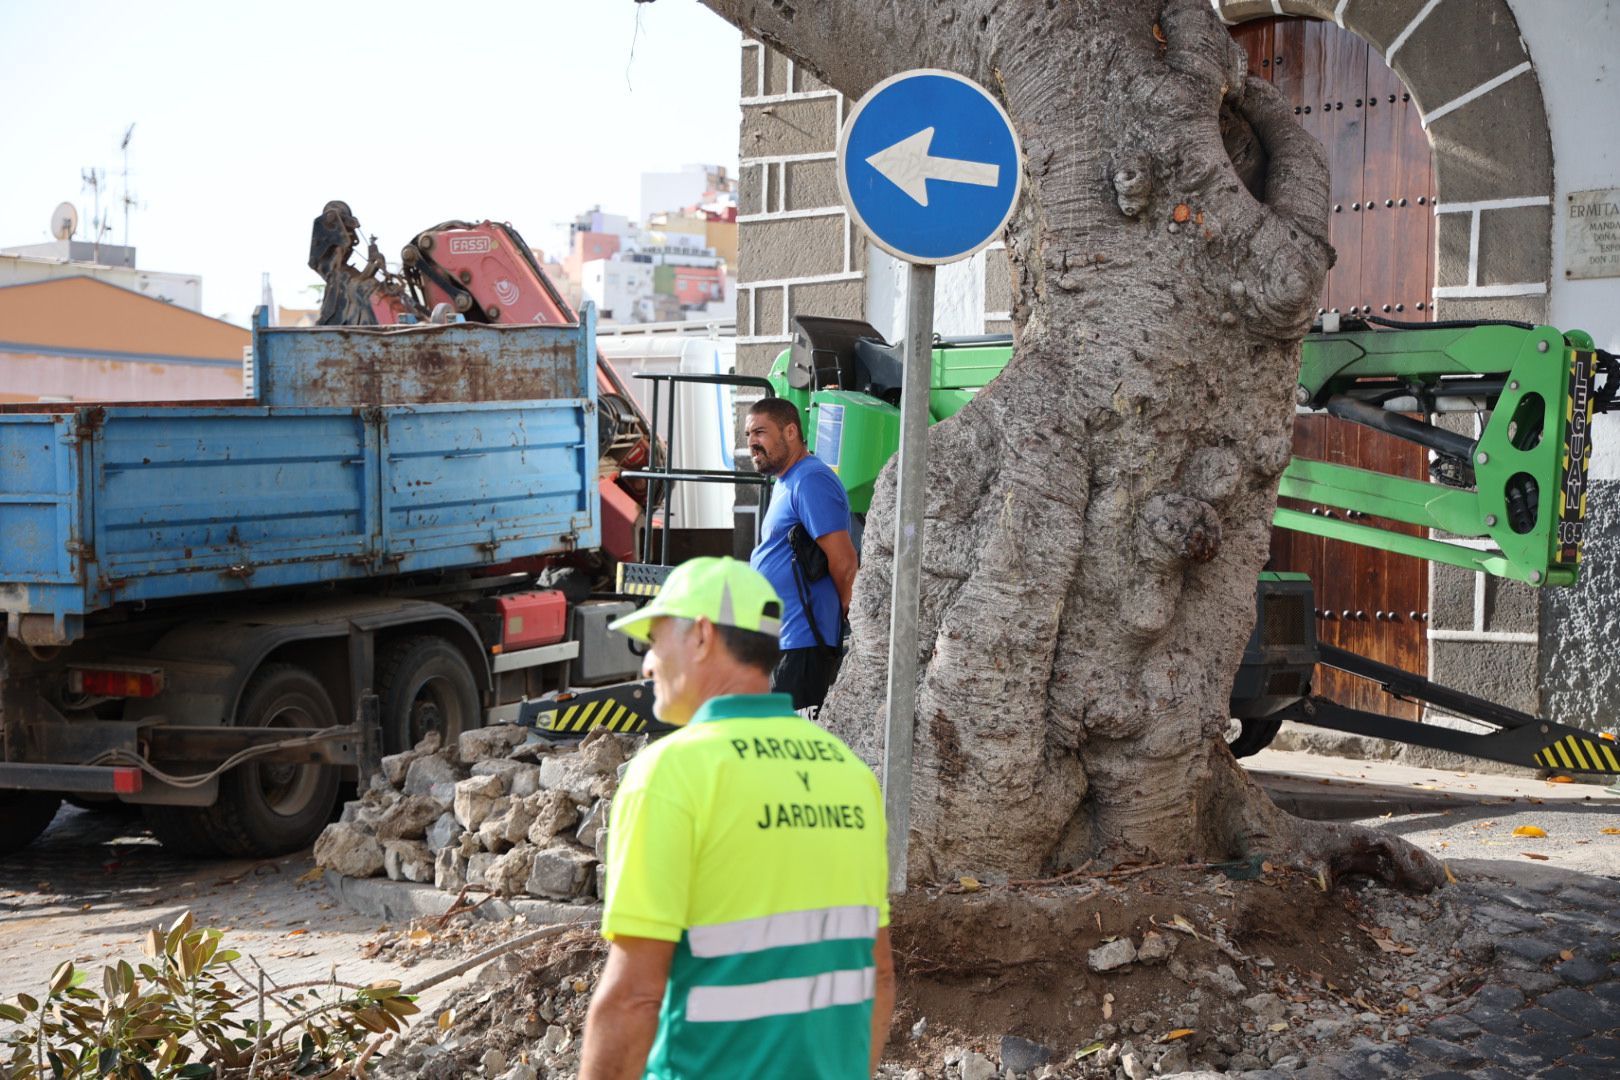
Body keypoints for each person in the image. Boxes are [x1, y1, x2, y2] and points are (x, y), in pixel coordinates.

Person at [580, 557, 894, 1080]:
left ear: (701, 636)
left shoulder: (670, 773)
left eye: (655, 641)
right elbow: (879, 975)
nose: (647, 665)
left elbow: (634, 998)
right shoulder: (849, 773)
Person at [744, 398, 859, 711]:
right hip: (785, 641)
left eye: (760, 432)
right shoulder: (788, 481)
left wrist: (841, 619)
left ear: (790, 431)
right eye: (748, 435)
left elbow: (845, 562)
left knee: (788, 752)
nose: (752, 442)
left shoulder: (810, 479)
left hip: (803, 643)